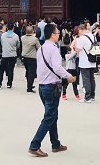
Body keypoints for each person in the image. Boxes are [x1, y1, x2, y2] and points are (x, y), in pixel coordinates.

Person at [28, 23, 76, 158]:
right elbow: (57, 67)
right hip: (51, 86)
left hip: (43, 85)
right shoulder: (54, 50)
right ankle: (34, 145)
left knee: (52, 115)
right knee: (49, 117)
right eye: (57, 33)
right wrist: (68, 76)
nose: (59, 35)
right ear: (52, 35)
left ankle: (55, 143)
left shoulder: (41, 49)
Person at [75, 24, 98, 103]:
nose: (79, 32)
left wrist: (75, 46)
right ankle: (92, 96)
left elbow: (78, 49)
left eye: (79, 30)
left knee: (86, 79)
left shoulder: (82, 38)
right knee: (92, 79)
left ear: (82, 30)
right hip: (93, 60)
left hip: (85, 61)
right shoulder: (93, 36)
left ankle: (87, 97)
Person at [0, 22, 21, 89]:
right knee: (11, 69)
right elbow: (18, 45)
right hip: (13, 54)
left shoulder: (3, 35)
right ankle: (9, 84)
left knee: (1, 69)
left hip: (5, 54)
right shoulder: (16, 36)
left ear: (7, 28)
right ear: (13, 28)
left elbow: (1, 43)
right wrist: (14, 48)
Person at [21, 25, 40, 93]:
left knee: (27, 71)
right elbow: (39, 48)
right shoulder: (35, 39)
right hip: (32, 57)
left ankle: (29, 84)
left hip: (24, 56)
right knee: (31, 73)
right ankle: (29, 87)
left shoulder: (22, 38)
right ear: (33, 32)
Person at [62, 34, 80, 100]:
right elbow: (74, 53)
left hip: (73, 70)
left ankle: (77, 95)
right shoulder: (67, 56)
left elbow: (76, 53)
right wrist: (74, 41)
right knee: (66, 83)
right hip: (68, 70)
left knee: (74, 83)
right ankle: (64, 94)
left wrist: (75, 42)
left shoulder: (73, 55)